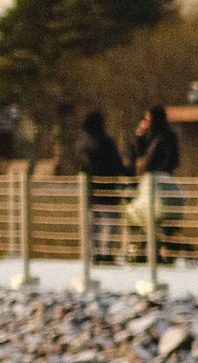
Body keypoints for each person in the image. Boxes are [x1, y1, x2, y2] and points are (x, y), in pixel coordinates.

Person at [125, 106, 182, 264]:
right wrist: (139, 136)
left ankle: (157, 249)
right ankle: (153, 249)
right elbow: (138, 152)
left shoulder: (164, 137)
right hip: (152, 182)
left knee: (155, 216)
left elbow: (168, 159)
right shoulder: (151, 136)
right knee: (150, 217)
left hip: (157, 182)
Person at [78, 111, 127, 261]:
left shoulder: (84, 145)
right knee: (110, 222)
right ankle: (106, 252)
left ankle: (95, 253)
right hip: (109, 190)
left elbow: (82, 167)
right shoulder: (107, 143)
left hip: (91, 191)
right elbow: (117, 164)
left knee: (93, 224)